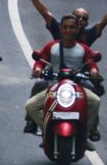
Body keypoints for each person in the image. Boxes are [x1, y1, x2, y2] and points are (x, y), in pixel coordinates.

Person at [22, 0, 107, 139]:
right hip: (57, 76)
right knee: (38, 87)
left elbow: (103, 24)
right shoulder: (56, 38)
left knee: (93, 94)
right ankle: (33, 122)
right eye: (71, 23)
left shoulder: (86, 41)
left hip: (80, 76)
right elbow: (45, 13)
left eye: (83, 19)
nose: (74, 25)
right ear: (65, 26)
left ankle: (91, 128)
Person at [25, 15, 101, 151]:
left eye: (72, 27)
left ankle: (84, 134)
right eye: (65, 27)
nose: (68, 30)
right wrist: (37, 69)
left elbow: (92, 63)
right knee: (31, 106)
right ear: (60, 29)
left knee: (95, 101)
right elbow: (40, 60)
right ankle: (48, 131)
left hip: (77, 89)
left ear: (78, 29)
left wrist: (94, 71)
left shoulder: (83, 49)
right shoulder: (52, 46)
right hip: (53, 88)